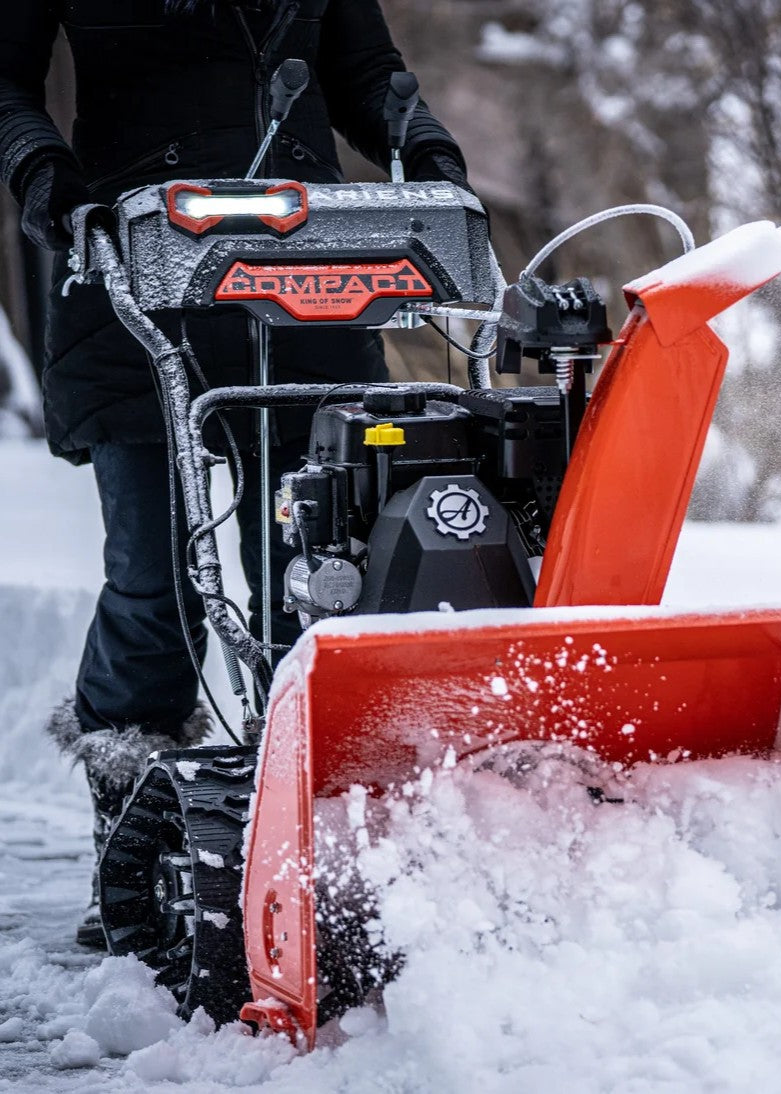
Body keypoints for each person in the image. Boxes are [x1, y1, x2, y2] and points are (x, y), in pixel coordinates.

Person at [0, 0, 474, 946]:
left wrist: (425, 151)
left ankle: (308, 825)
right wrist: (47, 177)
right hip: (135, 267)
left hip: (307, 277)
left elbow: (368, 75)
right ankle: (131, 845)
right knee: (156, 580)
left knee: (312, 567)